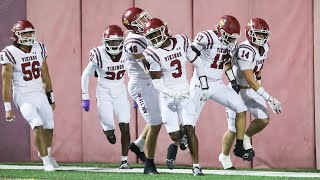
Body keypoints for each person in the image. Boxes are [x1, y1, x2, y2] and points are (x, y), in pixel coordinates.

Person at [143, 18, 209, 176]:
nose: (154, 39)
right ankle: (176, 143)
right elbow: (157, 83)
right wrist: (173, 93)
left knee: (190, 128)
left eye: (156, 34)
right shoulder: (151, 53)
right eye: (150, 37)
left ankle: (196, 166)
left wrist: (205, 86)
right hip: (167, 98)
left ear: (164, 30)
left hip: (185, 94)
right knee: (174, 135)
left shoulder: (182, 41)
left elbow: (198, 63)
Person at [190, 15, 254, 170]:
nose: (231, 41)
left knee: (241, 109)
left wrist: (232, 81)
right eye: (229, 37)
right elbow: (190, 54)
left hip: (217, 84)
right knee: (189, 123)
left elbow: (226, 63)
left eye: (234, 38)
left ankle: (239, 146)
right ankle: (175, 148)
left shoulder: (231, 44)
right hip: (200, 83)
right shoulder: (206, 37)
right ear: (220, 31)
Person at [1, 20, 58, 171]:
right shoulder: (9, 52)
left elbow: (45, 73)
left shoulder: (39, 47)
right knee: (37, 123)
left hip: (39, 92)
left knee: (50, 125)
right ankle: (46, 162)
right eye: (25, 33)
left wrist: (50, 96)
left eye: (31, 32)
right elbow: (6, 83)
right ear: (16, 35)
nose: (29, 35)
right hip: (23, 94)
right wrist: (8, 108)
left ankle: (48, 154)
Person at [224, 17, 282, 168]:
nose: (262, 37)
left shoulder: (265, 47)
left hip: (252, 90)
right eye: (259, 34)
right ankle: (224, 156)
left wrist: (260, 85)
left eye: (264, 34)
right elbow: (250, 79)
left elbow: (258, 69)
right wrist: (269, 98)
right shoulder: (245, 49)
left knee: (263, 119)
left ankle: (246, 137)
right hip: (237, 91)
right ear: (250, 33)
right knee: (232, 129)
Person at [81, 25, 131, 169]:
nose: (114, 45)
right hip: (104, 92)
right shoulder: (98, 54)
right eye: (111, 42)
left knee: (125, 126)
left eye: (117, 41)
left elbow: (134, 72)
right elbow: (85, 75)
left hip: (120, 92)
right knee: (109, 126)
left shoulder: (127, 52)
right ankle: (108, 132)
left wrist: (137, 94)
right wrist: (85, 96)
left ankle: (124, 161)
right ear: (105, 41)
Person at [122, 7, 162, 174]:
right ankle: (149, 165)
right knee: (156, 122)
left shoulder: (141, 36)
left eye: (145, 18)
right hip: (142, 83)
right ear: (133, 25)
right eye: (141, 20)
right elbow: (147, 67)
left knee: (158, 119)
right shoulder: (134, 41)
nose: (146, 22)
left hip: (149, 82)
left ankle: (137, 145)